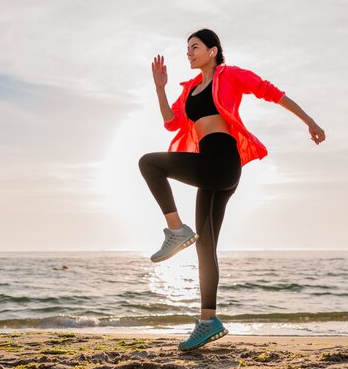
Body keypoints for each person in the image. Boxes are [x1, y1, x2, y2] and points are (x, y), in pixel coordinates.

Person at [139, 29, 325, 351]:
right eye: (187, 49)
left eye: (194, 47)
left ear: (212, 51)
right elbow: (172, 122)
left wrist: (309, 121)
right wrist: (160, 89)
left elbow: (272, 93)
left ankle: (176, 230)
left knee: (150, 163)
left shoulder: (231, 76)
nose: (189, 53)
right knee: (206, 245)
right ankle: (209, 321)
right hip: (211, 166)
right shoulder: (190, 90)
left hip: (223, 160)